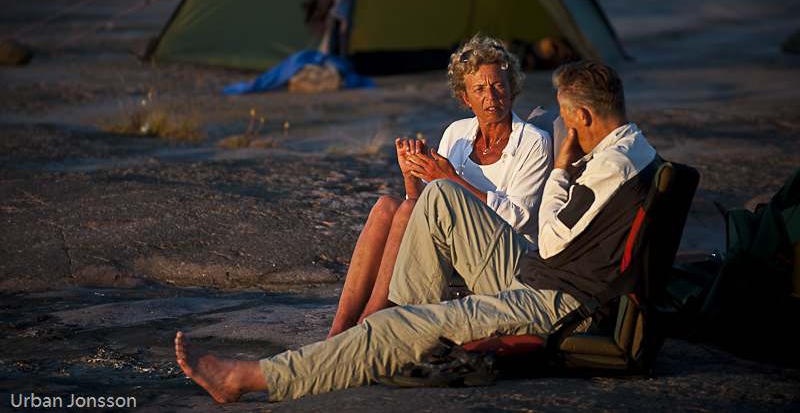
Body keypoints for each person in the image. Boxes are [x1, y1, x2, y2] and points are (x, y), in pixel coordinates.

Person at [175, 60, 661, 403]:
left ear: (583, 117)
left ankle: (247, 378)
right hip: (544, 273)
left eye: (563, 113)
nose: (559, 121)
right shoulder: (633, 148)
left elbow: (552, 238)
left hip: (552, 300)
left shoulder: (607, 168)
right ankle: (396, 331)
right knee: (438, 197)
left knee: (391, 326)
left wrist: (560, 167)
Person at [327, 34, 552, 338]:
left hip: (498, 255)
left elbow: (518, 218)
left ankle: (370, 325)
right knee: (386, 206)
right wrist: (412, 174)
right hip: (448, 240)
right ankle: (339, 327)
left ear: (512, 88)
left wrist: (451, 180)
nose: (491, 97)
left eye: (499, 85)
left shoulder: (534, 142)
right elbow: (425, 208)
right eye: (479, 89)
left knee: (409, 209)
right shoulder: (457, 134)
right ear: (465, 97)